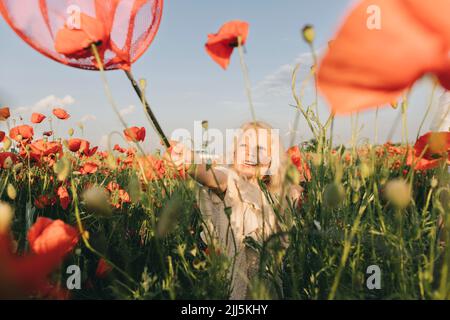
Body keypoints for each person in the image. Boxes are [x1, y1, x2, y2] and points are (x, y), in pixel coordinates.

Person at [165, 121, 302, 299]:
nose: (249, 152)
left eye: (259, 148)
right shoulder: (230, 181)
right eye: (243, 145)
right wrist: (190, 161)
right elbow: (212, 176)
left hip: (266, 290)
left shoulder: (279, 195)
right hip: (232, 287)